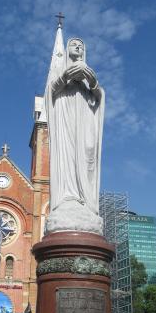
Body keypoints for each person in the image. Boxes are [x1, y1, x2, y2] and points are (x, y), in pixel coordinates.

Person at [45, 36, 105, 234]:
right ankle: (68, 198)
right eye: (73, 44)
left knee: (88, 155)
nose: (77, 46)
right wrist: (65, 77)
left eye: (80, 45)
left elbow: (100, 98)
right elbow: (50, 92)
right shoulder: (59, 73)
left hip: (85, 124)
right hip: (65, 123)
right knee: (68, 156)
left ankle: (85, 202)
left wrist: (93, 82)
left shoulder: (87, 81)